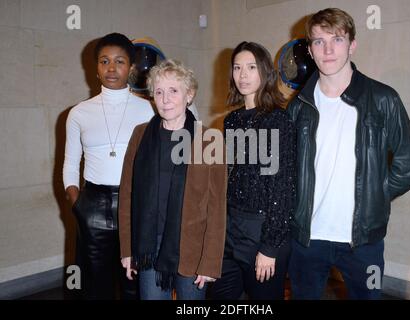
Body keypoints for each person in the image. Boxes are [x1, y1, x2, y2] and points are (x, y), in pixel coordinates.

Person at [287, 8, 410, 299]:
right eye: (318, 41)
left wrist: (375, 193)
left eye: (336, 39)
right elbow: (288, 169)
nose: (328, 49)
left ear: (352, 44)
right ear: (310, 50)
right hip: (307, 238)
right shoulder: (298, 106)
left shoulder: (384, 99)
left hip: (363, 242)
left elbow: (408, 165)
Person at [118, 59, 227, 300]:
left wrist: (210, 263)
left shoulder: (210, 139)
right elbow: (127, 195)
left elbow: (216, 207)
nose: (165, 99)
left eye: (173, 91)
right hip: (148, 246)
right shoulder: (140, 135)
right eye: (159, 91)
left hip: (193, 249)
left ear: (189, 95)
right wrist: (127, 250)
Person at [63, 33, 155, 299]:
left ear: (131, 67)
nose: (111, 68)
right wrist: (77, 203)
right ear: (95, 68)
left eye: (119, 61)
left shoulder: (149, 110)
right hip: (92, 208)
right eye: (104, 61)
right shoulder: (79, 112)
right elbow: (70, 164)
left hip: (136, 206)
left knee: (134, 286)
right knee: (95, 287)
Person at [210, 41, 295, 300]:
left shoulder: (278, 119)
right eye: (237, 68)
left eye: (251, 67)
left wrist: (269, 248)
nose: (243, 75)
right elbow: (231, 177)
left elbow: (283, 187)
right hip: (230, 229)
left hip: (263, 231)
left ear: (265, 72)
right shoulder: (232, 120)